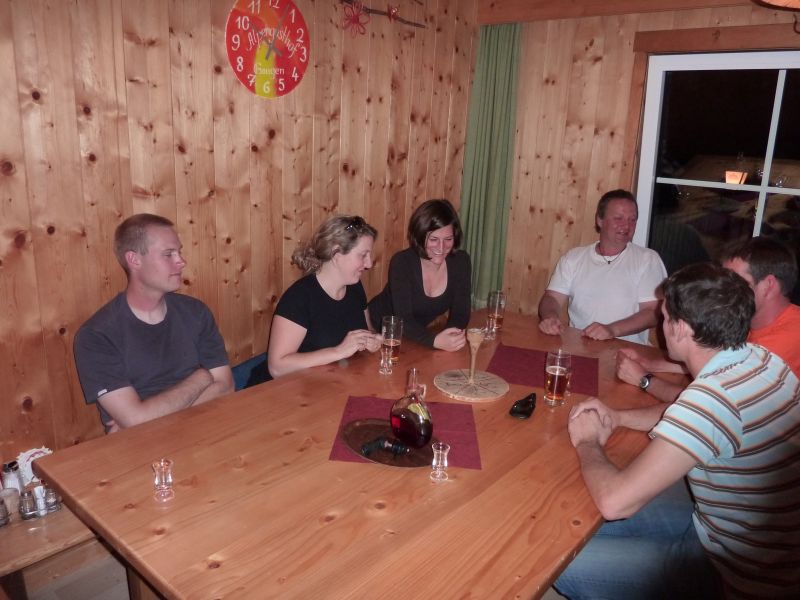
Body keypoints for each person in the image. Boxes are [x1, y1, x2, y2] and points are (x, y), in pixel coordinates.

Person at [555, 263, 800, 599]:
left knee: (562, 562)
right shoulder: (760, 359)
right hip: (730, 531)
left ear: (681, 328)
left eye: (665, 317)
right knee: (573, 528)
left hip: (738, 575)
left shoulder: (711, 400)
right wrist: (618, 417)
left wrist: (587, 442)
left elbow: (615, 503)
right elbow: (689, 413)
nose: (662, 324)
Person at [74, 214, 233, 432]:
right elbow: (136, 421)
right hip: (145, 444)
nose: (181, 261)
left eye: (179, 252)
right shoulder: (97, 335)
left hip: (205, 427)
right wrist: (202, 377)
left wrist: (148, 416)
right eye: (168, 254)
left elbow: (226, 387)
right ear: (134, 260)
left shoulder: (195, 312)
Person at [617, 236, 800, 402]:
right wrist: (652, 365)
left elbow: (711, 403)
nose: (723, 290)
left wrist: (645, 380)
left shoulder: (783, 343)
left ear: (768, 285)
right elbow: (719, 363)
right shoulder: (747, 321)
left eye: (735, 282)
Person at [538, 189, 667, 345]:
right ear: (599, 220)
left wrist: (612, 330)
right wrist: (550, 318)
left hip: (627, 351)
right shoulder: (574, 258)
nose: (626, 225)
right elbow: (552, 298)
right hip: (578, 346)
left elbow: (653, 313)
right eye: (618, 218)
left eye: (632, 220)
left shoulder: (647, 259)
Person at [267, 215, 382, 378]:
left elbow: (368, 330)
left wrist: (373, 339)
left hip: (339, 381)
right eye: (363, 255)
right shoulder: (299, 297)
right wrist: (338, 352)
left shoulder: (354, 287)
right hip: (297, 387)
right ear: (336, 254)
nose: (369, 264)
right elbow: (277, 368)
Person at [368, 199, 470, 352]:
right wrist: (434, 341)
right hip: (374, 330)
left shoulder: (460, 262)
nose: (441, 247)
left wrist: (451, 337)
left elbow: (460, 313)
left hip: (412, 337)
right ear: (420, 236)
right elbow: (404, 319)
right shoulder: (402, 262)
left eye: (448, 239)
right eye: (434, 239)